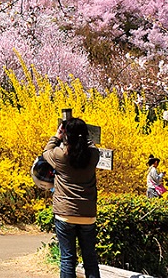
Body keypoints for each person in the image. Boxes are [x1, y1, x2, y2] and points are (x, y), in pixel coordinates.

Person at [42, 117, 101, 278]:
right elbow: (90, 146)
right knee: (90, 258)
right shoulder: (93, 155)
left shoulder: (60, 155)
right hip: (87, 214)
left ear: (67, 134)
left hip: (65, 213)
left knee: (67, 259)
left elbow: (46, 151)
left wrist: (57, 135)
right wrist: (85, 136)